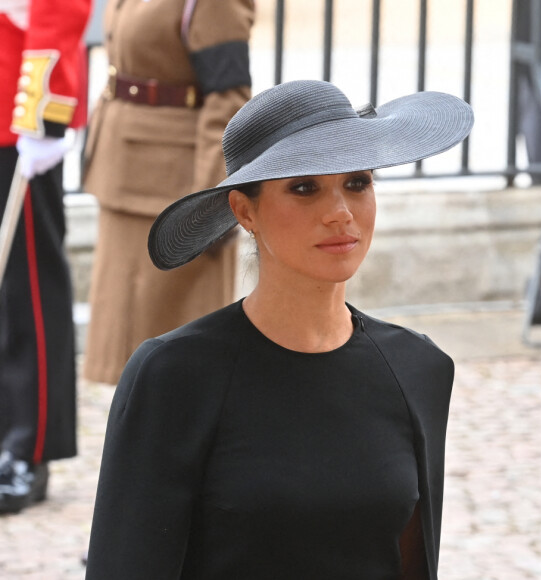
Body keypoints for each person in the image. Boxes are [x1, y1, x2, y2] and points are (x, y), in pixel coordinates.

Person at [84, 79, 474, 579]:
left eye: (358, 182)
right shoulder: (174, 376)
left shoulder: (419, 367)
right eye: (304, 187)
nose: (340, 213)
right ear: (245, 211)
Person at [81, 0, 254, 386]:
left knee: (178, 360)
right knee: (126, 350)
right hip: (125, 172)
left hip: (175, 193)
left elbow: (228, 97)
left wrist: (210, 204)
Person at [0, 0, 91, 513]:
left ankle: (25, 446)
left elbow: (58, 10)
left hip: (13, 111)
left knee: (26, 289)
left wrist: (45, 113)